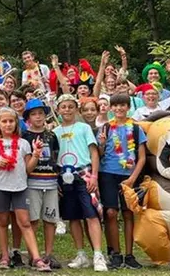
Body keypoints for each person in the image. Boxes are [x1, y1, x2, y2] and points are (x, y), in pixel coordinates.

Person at [0, 107, 51, 272]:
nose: (8, 124)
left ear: (16, 123)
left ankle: (36, 258)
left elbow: (28, 169)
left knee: (25, 222)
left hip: (20, 186)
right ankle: (4, 256)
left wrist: (35, 155)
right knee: (2, 221)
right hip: (0, 187)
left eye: (11, 121)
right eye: (4, 121)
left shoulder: (23, 143)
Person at [53, 94, 107, 271]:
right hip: (64, 177)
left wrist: (94, 176)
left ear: (76, 109)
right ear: (58, 110)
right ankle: (81, 253)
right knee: (73, 217)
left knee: (91, 214)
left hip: (84, 174)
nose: (67, 110)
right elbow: (54, 157)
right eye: (63, 107)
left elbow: (94, 153)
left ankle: (98, 254)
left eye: (70, 106)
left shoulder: (83, 128)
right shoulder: (55, 132)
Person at [97, 94, 146, 269]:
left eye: (122, 105)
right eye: (115, 106)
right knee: (110, 212)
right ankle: (115, 254)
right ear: (111, 108)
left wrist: (133, 178)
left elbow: (141, 158)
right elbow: (99, 155)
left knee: (128, 213)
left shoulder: (136, 128)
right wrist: (101, 144)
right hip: (108, 174)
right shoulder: (105, 128)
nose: (119, 109)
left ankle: (130, 254)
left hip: (129, 176)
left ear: (128, 107)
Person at [21, 99, 61, 269]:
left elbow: (55, 157)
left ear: (46, 115)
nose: (38, 117)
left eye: (41, 113)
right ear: (28, 117)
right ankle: (33, 254)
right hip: (32, 182)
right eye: (34, 114)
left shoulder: (52, 136)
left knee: (50, 219)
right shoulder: (25, 136)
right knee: (33, 219)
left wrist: (58, 179)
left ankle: (48, 254)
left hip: (50, 182)